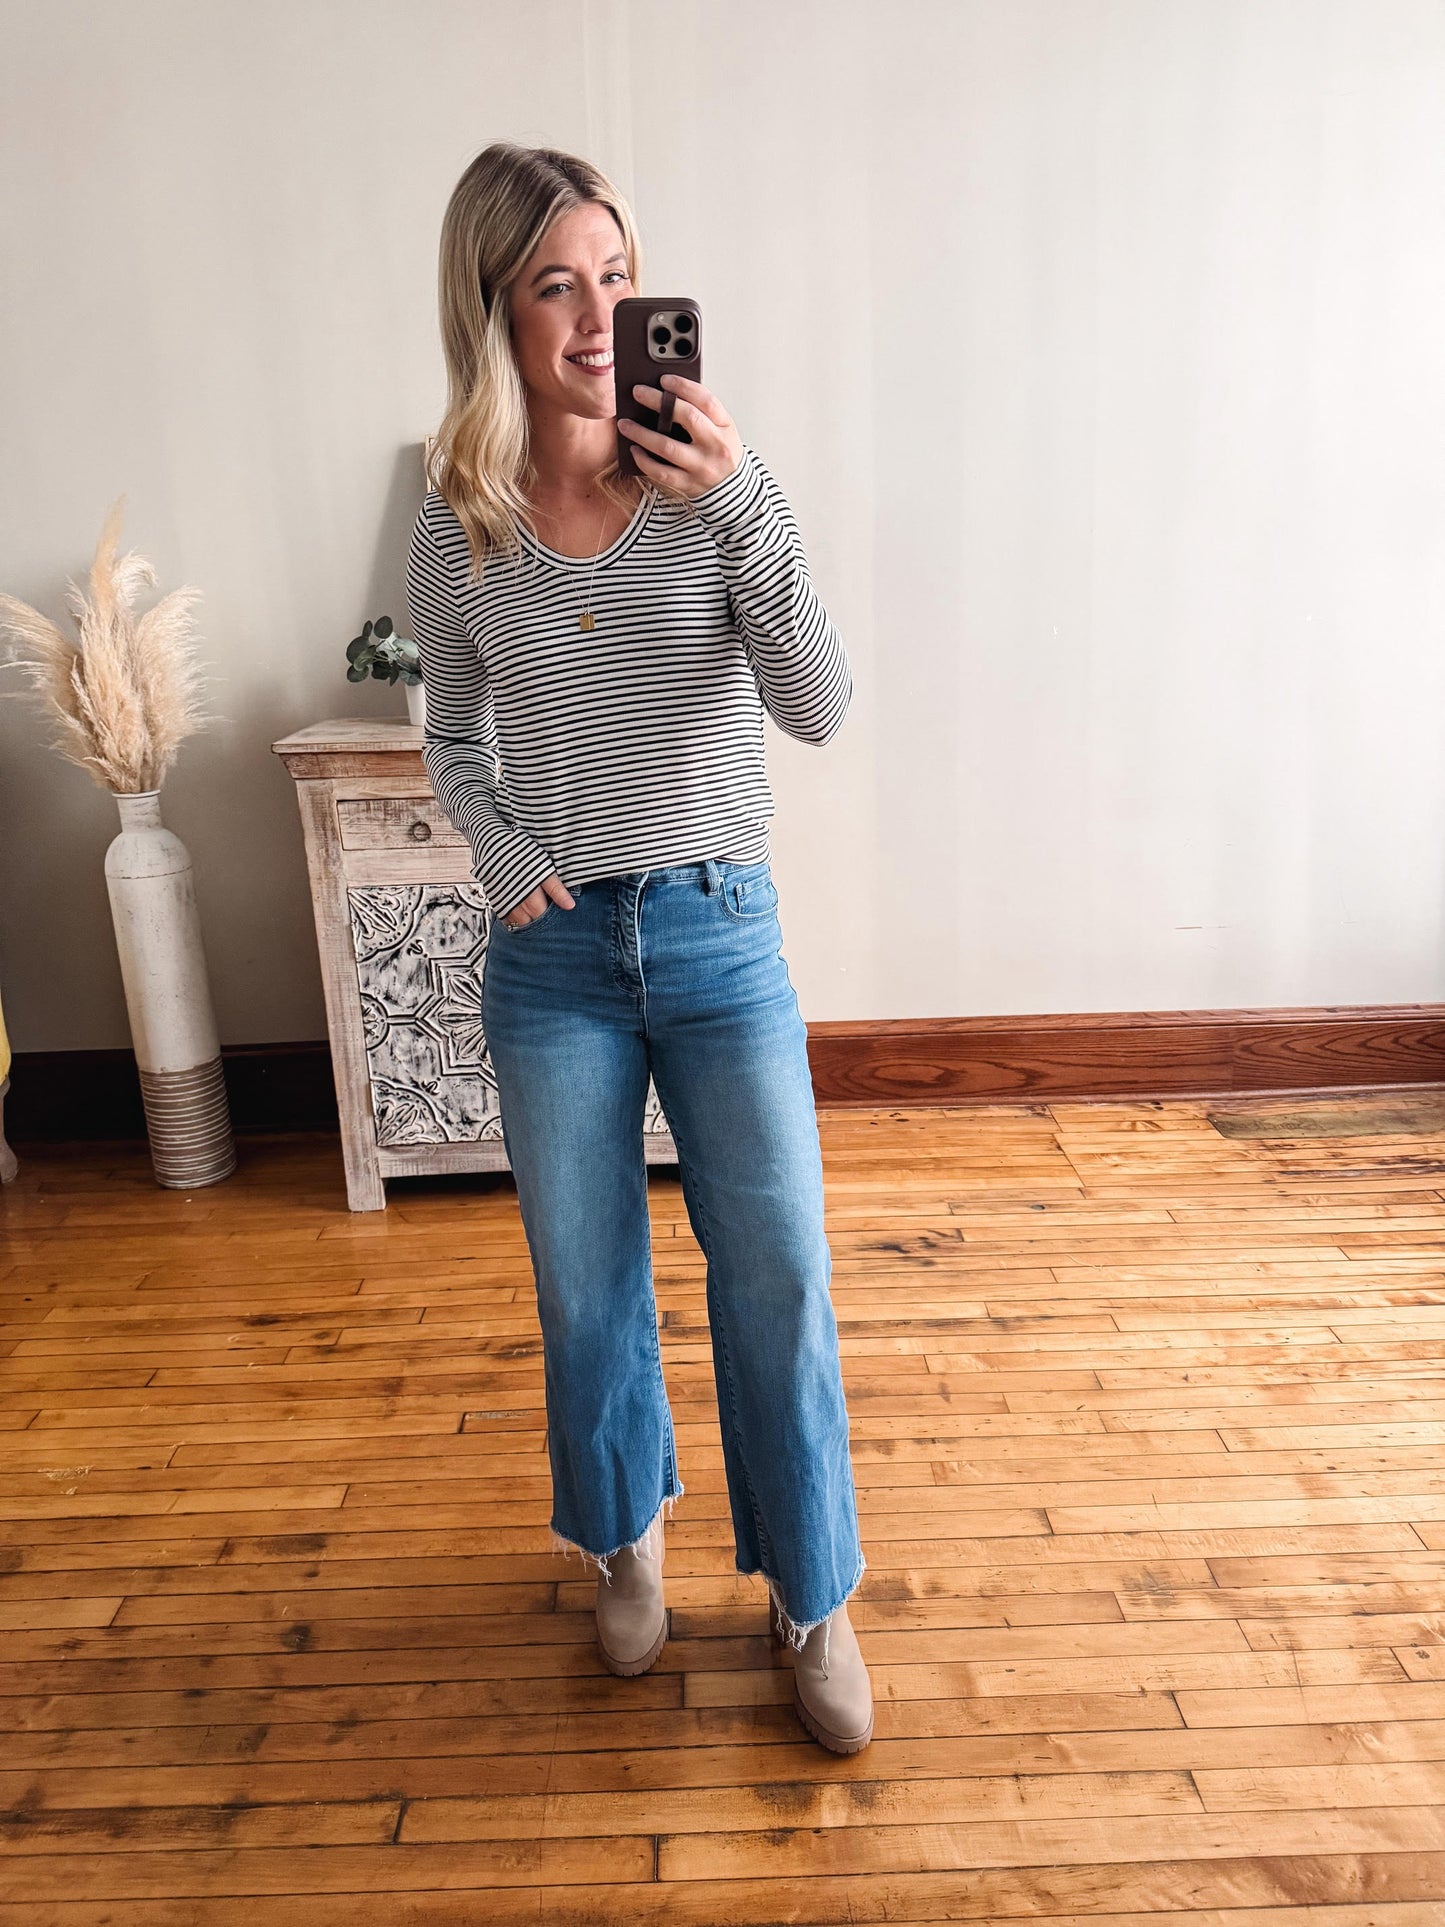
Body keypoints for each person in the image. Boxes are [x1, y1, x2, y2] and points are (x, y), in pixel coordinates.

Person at [404, 141, 872, 1754]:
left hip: (718, 930)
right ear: (494, 313)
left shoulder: (717, 478)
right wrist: (509, 850)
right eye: (555, 284)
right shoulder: (455, 506)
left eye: (616, 275)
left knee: (779, 1275)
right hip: (551, 964)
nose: (599, 316)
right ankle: (624, 1542)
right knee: (585, 1286)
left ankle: (811, 1595)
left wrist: (739, 507)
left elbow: (817, 707)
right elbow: (447, 721)